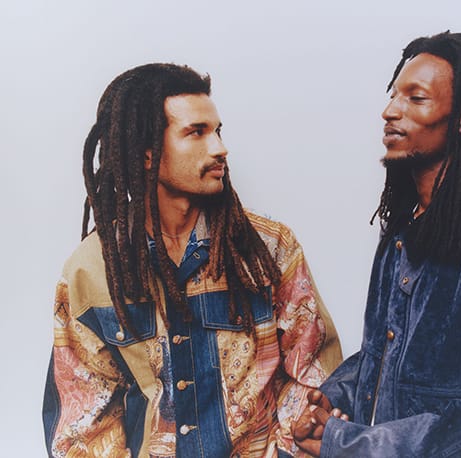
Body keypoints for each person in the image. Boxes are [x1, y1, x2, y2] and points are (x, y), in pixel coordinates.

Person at [42, 63, 342, 458]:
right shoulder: (91, 271)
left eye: (217, 131)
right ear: (147, 153)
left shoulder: (268, 250)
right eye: (196, 132)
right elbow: (82, 426)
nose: (219, 148)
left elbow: (315, 377)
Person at [292, 31, 461, 457]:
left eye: (416, 98)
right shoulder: (402, 229)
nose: (390, 111)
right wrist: (335, 397)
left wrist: (363, 446)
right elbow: (387, 358)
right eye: (394, 95)